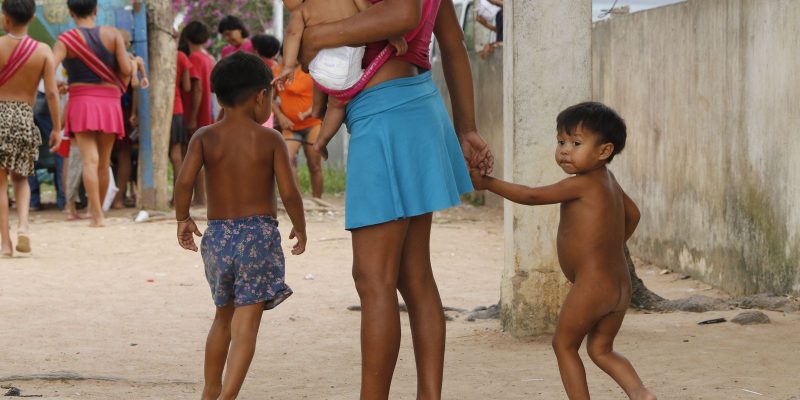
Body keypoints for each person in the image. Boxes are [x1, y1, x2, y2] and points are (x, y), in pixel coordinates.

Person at [297, 0, 493, 398]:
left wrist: (315, 36)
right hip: (413, 104)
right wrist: (466, 127)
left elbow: (404, 14)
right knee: (413, 274)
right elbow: (452, 44)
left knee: (373, 279)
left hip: (386, 116)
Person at [470, 102, 656, 400]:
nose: (565, 150)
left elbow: (532, 195)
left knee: (564, 345)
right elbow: (633, 214)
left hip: (593, 286)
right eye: (561, 142)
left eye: (576, 143)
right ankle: (641, 393)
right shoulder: (609, 182)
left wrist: (488, 183)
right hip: (620, 285)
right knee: (601, 349)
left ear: (604, 151)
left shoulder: (581, 184)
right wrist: (608, 246)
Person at [174, 52, 306, 400]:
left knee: (222, 318)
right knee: (246, 327)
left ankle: (210, 389)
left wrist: (182, 218)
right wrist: (300, 226)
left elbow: (184, 182)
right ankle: (228, 396)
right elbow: (289, 191)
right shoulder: (271, 139)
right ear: (260, 96)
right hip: (258, 237)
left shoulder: (204, 136)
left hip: (217, 238)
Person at [274, 0, 407, 161]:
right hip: (348, 66)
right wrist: (390, 34)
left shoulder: (301, 12)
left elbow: (292, 34)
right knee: (337, 104)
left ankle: (317, 111)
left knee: (319, 78)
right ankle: (321, 141)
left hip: (319, 67)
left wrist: (288, 66)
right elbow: (370, 12)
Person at [53, 0, 133, 227]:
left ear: (70, 12)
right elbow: (126, 70)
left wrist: (59, 84)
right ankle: (98, 212)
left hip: (81, 102)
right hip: (109, 102)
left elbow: (49, 67)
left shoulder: (65, 40)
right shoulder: (113, 34)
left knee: (90, 159)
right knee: (104, 161)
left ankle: (95, 215)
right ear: (96, 10)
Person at [0, 0, 61, 256]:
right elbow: (51, 93)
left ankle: (5, 243)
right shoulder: (44, 51)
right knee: (22, 178)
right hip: (25, 117)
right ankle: (24, 227)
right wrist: (57, 127)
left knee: (0, 183)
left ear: (5, 19)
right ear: (33, 18)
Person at [270, 63, 326, 203]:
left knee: (314, 165)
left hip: (312, 124)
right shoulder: (277, 71)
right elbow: (269, 98)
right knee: (287, 161)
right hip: (290, 126)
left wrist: (311, 111)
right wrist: (281, 117)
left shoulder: (313, 69)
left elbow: (325, 95)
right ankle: (298, 201)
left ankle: (317, 201)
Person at [179, 21, 215, 206]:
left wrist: (192, 117)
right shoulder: (208, 59)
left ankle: (200, 197)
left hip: (196, 114)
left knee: (193, 156)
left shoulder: (193, 59)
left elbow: (198, 88)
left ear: (186, 37)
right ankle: (203, 196)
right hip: (208, 113)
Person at [169, 42, 193, 201]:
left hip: (152, 110)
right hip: (176, 108)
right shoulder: (180, 56)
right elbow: (187, 86)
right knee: (176, 155)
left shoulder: (148, 54)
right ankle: (177, 198)